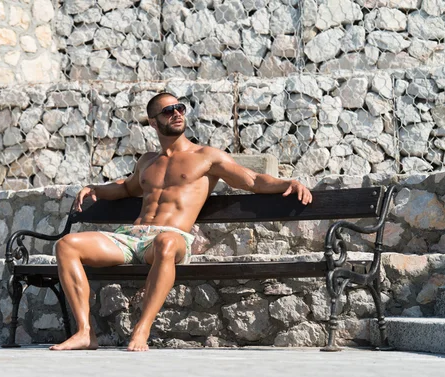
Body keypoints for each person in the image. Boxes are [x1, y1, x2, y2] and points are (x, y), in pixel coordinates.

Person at [50, 93, 313, 352]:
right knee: (66, 245)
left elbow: (252, 180)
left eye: (180, 108)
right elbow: (128, 188)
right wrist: (95, 188)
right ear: (153, 122)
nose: (176, 114)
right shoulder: (147, 161)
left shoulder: (206, 156)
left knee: (165, 243)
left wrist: (288, 183)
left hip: (171, 238)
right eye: (168, 111)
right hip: (132, 237)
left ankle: (142, 329)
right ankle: (85, 332)